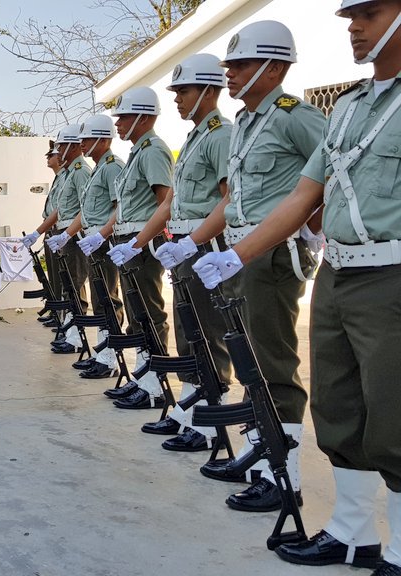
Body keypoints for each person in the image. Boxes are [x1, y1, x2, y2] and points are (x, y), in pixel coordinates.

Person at [195, 2, 401, 572]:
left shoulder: (301, 113)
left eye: (370, 13)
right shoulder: (350, 107)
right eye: (351, 16)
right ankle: (353, 532)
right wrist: (231, 253)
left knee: (394, 410)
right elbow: (303, 194)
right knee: (340, 407)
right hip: (341, 274)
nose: (354, 26)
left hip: (392, 275)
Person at [165, 20, 325, 512]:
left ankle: (285, 475)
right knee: (250, 358)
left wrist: (313, 234)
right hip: (237, 253)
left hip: (270, 257)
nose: (228, 73)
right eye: (229, 65)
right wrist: (199, 242)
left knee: (273, 362)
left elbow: (329, 177)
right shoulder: (249, 123)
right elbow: (233, 200)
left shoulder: (293, 115)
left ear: (274, 67)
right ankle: (262, 458)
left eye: (240, 65)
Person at [142, 53, 234, 450]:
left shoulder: (221, 135)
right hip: (183, 246)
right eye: (176, 91)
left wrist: (193, 243)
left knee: (210, 334)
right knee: (189, 330)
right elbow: (172, 202)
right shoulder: (195, 139)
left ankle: (210, 422)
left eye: (185, 90)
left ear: (210, 91)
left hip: (206, 244)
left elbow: (230, 200)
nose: (177, 98)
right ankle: (189, 408)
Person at [101, 86, 174, 410]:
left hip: (142, 245)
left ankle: (155, 386)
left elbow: (165, 203)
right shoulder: (138, 153)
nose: (118, 123)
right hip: (130, 243)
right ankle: (142, 377)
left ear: (143, 117)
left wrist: (139, 242)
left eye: (124, 116)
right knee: (136, 314)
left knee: (149, 313)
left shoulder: (154, 150)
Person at [55, 114, 125, 379]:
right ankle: (102, 352)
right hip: (91, 242)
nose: (82, 143)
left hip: (104, 241)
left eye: (87, 138)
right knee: (98, 296)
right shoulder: (97, 168)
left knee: (108, 296)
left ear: (103, 139)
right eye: (81, 139)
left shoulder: (112, 167)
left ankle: (110, 357)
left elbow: (120, 207)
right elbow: (85, 212)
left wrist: (101, 235)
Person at [22, 126, 91, 353]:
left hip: (72, 236)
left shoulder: (80, 172)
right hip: (62, 234)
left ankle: (76, 334)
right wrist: (38, 232)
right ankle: (68, 328)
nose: (58, 151)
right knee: (65, 284)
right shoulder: (71, 173)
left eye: (60, 146)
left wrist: (67, 234)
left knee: (75, 285)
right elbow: (60, 210)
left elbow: (85, 208)